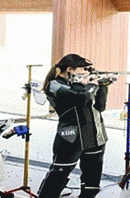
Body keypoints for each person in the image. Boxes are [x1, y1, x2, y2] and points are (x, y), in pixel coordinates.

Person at [37, 54, 112, 198]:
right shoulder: (54, 85)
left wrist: (103, 86)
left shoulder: (84, 85)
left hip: (95, 136)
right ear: (70, 69)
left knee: (92, 182)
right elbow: (80, 97)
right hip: (71, 137)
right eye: (82, 69)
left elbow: (100, 106)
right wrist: (92, 84)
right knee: (58, 176)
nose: (86, 72)